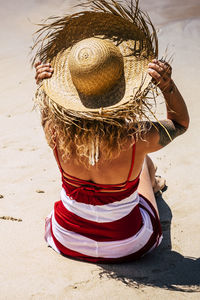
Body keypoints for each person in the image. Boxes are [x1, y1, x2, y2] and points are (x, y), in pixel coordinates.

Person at [33, 0, 189, 263]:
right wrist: (166, 85)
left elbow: (49, 111)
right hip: (127, 244)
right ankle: (155, 182)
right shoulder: (136, 138)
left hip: (67, 237)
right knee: (142, 166)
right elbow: (179, 124)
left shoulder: (55, 133)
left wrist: (44, 86)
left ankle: (151, 182)